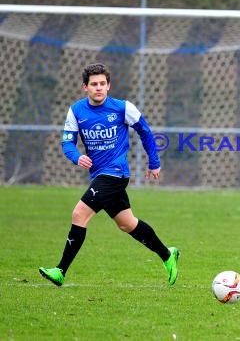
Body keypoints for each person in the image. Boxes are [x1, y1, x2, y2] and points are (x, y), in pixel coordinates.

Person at [39, 63, 179, 287]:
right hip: (99, 175)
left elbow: (146, 132)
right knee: (127, 224)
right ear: (85, 87)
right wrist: (77, 157)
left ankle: (60, 271)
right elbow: (67, 144)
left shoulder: (123, 108)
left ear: (108, 85)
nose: (99, 88)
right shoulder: (76, 111)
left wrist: (154, 162)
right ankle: (167, 255)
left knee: (79, 214)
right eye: (94, 84)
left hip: (115, 173)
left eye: (102, 84)